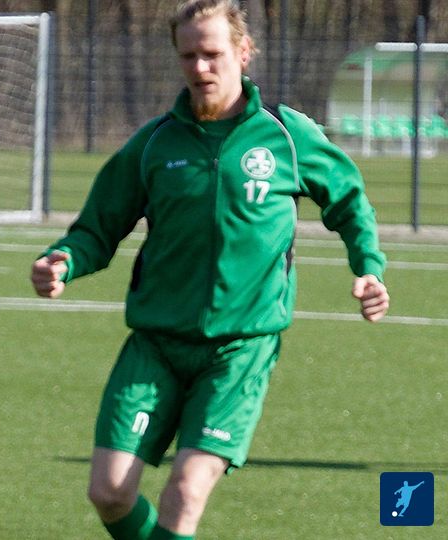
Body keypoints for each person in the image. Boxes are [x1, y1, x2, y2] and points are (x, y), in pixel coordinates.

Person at [30, 1, 389, 538]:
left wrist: (368, 267)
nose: (200, 68)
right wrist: (65, 260)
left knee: (185, 491)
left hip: (239, 350)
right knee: (109, 492)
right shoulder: (155, 142)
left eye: (212, 54)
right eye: (188, 56)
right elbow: (97, 228)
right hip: (155, 343)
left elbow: (350, 201)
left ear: (244, 53)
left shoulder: (286, 134)